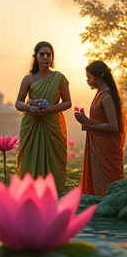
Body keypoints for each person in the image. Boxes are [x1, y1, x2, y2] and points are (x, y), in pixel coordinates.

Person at [15, 41, 72, 191]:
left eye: (49, 54)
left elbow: (67, 103)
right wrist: (30, 108)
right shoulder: (28, 79)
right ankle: (29, 192)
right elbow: (18, 103)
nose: (45, 57)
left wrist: (50, 109)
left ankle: (55, 192)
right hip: (32, 124)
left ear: (52, 58)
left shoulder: (59, 78)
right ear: (36, 57)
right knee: (29, 157)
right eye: (42, 54)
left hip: (52, 123)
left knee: (55, 158)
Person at [74, 60, 126, 196]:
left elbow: (113, 126)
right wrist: (86, 122)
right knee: (97, 179)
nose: (87, 80)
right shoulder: (99, 94)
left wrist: (89, 122)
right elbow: (100, 121)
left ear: (98, 77)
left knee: (108, 182)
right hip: (98, 146)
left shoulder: (107, 97)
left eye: (89, 77)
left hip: (107, 148)